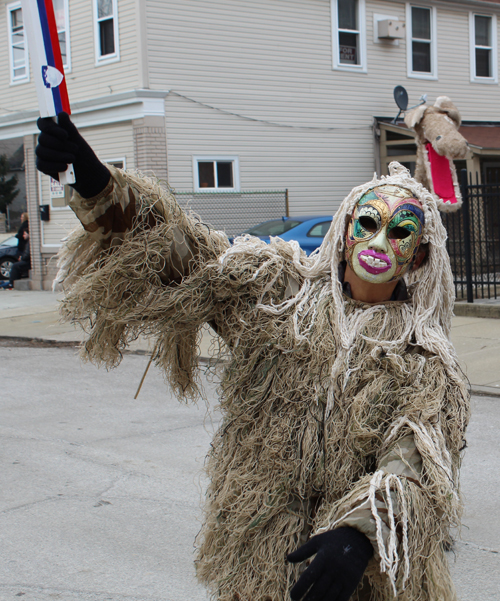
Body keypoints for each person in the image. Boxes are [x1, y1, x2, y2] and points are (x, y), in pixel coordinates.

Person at [35, 113, 470, 601]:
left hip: (360, 583)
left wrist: (359, 536)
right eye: (368, 223)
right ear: (345, 234)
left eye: (400, 232)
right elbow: (188, 258)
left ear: (419, 257)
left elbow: (417, 459)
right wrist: (97, 184)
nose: (377, 242)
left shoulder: (425, 359)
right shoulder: (279, 298)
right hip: (258, 565)